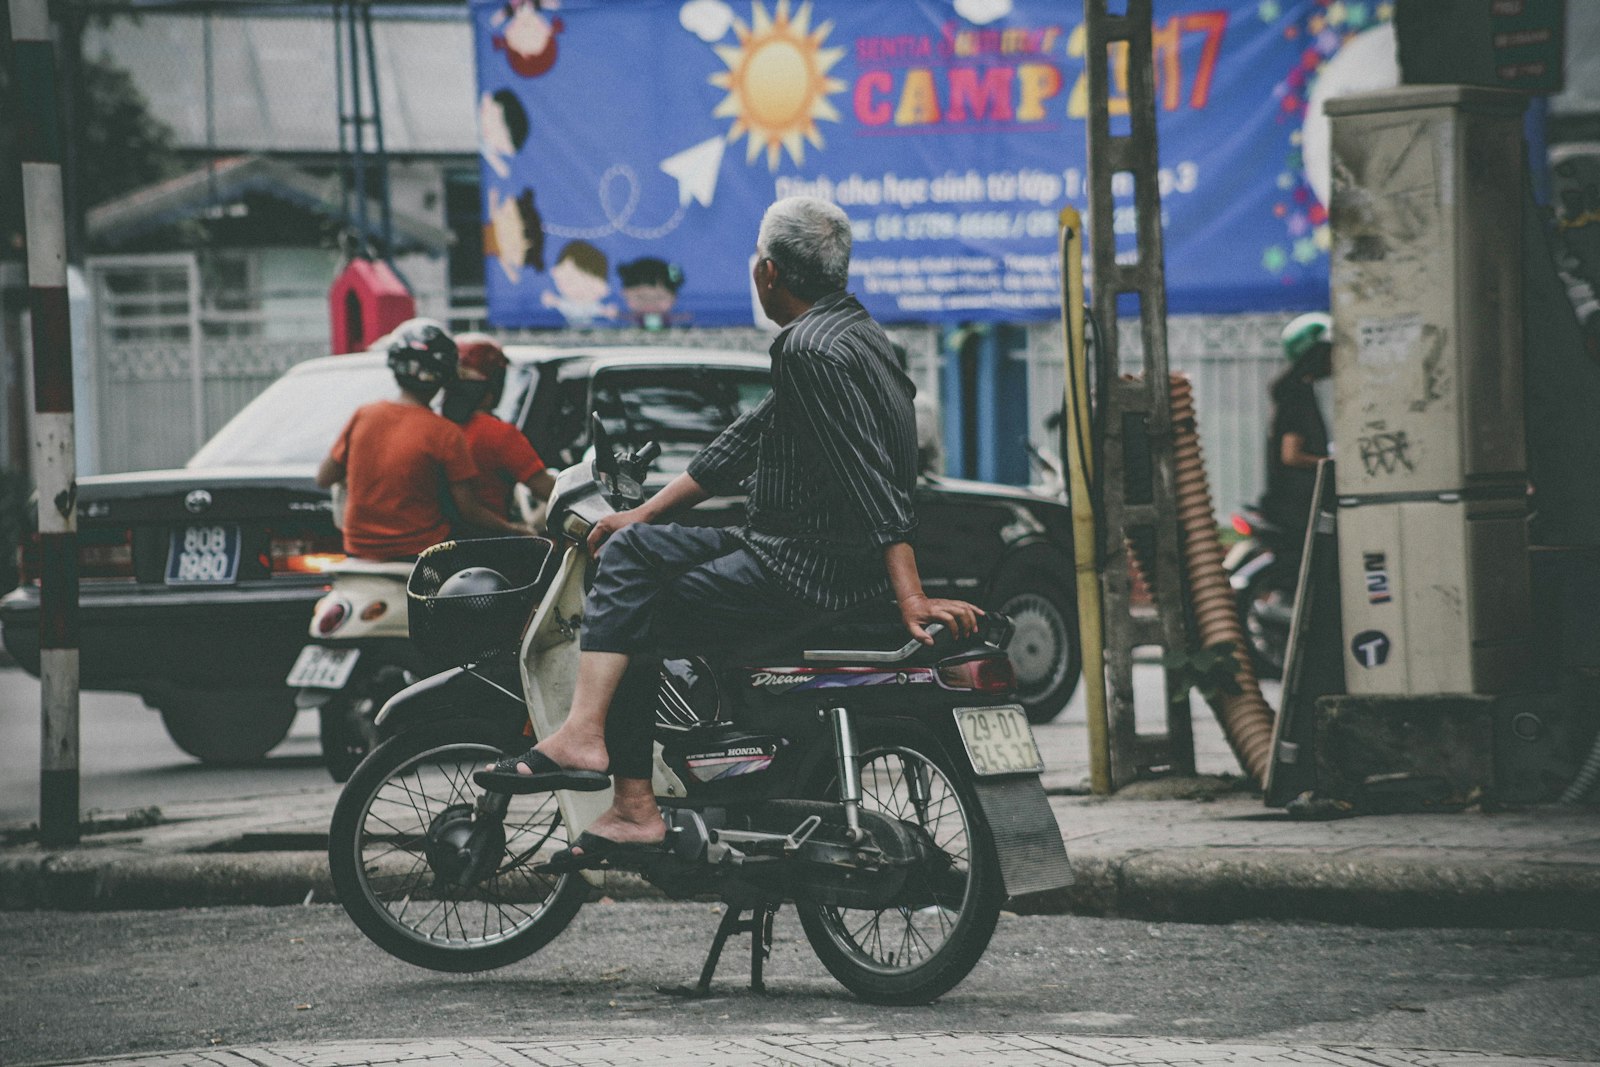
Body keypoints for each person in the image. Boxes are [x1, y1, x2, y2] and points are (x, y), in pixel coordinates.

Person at [476, 196, 982, 870]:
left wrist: (912, 595)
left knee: (633, 605)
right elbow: (746, 441)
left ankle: (622, 790)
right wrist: (644, 513)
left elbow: (871, 477)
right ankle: (641, 748)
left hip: (801, 570)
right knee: (630, 548)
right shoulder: (856, 335)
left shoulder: (807, 349)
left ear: (769, 272)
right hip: (800, 550)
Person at [316, 319, 528, 560]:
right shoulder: (445, 433)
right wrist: (515, 531)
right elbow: (469, 511)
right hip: (421, 556)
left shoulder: (364, 415)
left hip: (358, 552)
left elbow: (324, 477)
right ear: (446, 376)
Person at [441, 332, 556, 532]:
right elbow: (550, 491)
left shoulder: (432, 426)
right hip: (491, 544)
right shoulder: (498, 434)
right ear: (497, 381)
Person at [1260, 311, 1334, 549]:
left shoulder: (1299, 392)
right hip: (1296, 509)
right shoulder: (1296, 396)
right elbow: (1291, 455)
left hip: (1296, 505)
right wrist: (1330, 462)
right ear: (1316, 354)